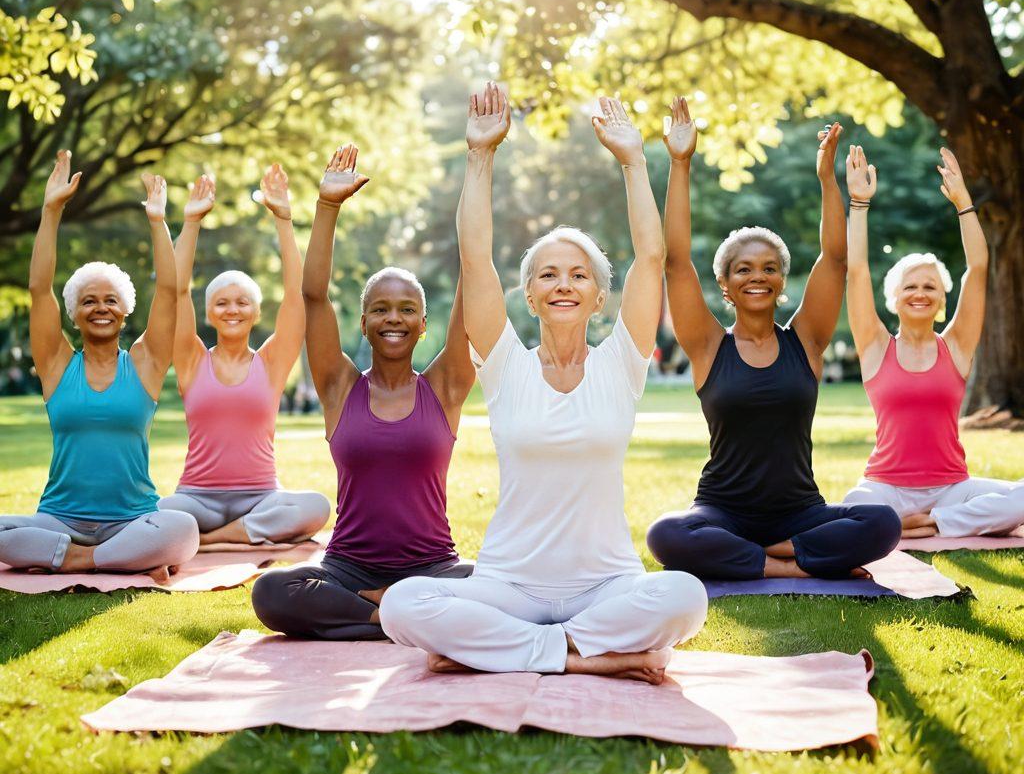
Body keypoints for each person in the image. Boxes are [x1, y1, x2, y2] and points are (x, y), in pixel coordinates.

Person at [379, 85, 708, 685]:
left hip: (607, 584)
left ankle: (517, 652)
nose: (563, 284)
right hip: (509, 584)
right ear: (528, 295)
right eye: (548, 275)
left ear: (598, 295)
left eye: (579, 274)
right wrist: (481, 155)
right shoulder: (504, 366)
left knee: (686, 595)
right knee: (402, 605)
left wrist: (635, 161)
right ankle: (591, 657)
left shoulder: (622, 363)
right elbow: (474, 259)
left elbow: (652, 255)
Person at [646, 104, 900, 581]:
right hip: (723, 510)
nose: (757, 276)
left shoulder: (806, 341)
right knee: (666, 534)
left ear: (782, 281)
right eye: (744, 269)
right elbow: (676, 262)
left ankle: (761, 556)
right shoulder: (706, 346)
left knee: (882, 522)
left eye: (769, 269)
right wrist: (680, 163)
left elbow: (835, 258)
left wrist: (828, 179)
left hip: (800, 512)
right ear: (726, 285)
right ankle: (793, 565)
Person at [250, 145, 476, 639]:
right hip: (347, 572)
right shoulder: (339, 386)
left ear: (422, 324)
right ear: (364, 322)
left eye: (405, 309)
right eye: (380, 309)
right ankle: (396, 617)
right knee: (270, 593)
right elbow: (312, 297)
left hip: (435, 567)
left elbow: (473, 287)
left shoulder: (446, 386)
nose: (393, 318)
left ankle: (373, 616)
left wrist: (473, 184)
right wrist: (327, 207)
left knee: (501, 586)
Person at [0, 152, 199, 580]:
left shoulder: (145, 363)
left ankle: (77, 559)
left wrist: (157, 221)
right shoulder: (56, 364)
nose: (101, 308)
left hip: (132, 519)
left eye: (111, 300)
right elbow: (39, 290)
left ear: (125, 311)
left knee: (183, 528)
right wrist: (51, 210)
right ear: (74, 313)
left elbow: (169, 290)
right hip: (60, 519)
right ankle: (115, 558)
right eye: (89, 300)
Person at [842, 145, 1024, 536]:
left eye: (930, 286)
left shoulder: (956, 346)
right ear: (894, 297)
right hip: (885, 488)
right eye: (910, 286)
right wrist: (858, 203)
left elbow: (978, 268)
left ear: (942, 299)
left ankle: (924, 524)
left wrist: (963, 202)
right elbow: (856, 271)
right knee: (850, 509)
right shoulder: (875, 347)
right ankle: (927, 525)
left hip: (952, 489)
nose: (920, 293)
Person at [158, 166, 330, 546]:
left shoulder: (270, 363)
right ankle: (235, 536)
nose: (232, 310)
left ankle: (209, 541)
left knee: (317, 507)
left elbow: (295, 296)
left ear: (256, 313)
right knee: (160, 513)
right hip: (197, 498)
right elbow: (177, 293)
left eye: (242, 303)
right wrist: (191, 222)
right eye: (221, 302)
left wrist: (284, 220)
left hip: (261, 497)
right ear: (208, 313)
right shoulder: (191, 360)